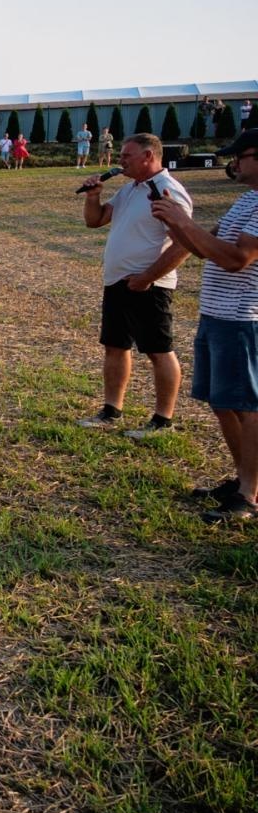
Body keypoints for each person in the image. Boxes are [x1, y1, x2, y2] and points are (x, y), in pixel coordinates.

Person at [151, 128, 258, 522]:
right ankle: (243, 478)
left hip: (244, 320)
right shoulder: (247, 200)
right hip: (218, 315)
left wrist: (183, 221)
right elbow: (204, 248)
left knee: (247, 407)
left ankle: (248, 495)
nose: (234, 163)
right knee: (224, 403)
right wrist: (175, 225)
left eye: (240, 156)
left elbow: (235, 259)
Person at [77, 132, 192, 437]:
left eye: (127, 155)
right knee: (115, 346)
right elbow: (96, 220)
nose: (120, 161)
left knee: (159, 351)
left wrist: (147, 278)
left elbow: (183, 245)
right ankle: (111, 410)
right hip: (117, 282)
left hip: (150, 286)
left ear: (149, 156)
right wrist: (93, 196)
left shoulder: (166, 191)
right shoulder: (131, 189)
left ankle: (162, 420)